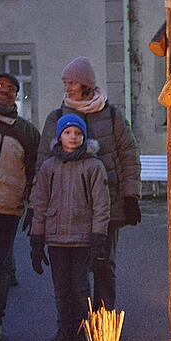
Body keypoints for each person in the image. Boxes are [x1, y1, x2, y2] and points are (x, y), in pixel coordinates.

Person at [35, 57, 141, 311]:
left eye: (71, 82)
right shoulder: (58, 116)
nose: (67, 87)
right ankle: (77, 327)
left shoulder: (112, 116)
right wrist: (33, 207)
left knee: (103, 264)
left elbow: (129, 155)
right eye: (65, 82)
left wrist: (130, 196)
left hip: (108, 204)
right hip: (68, 209)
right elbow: (42, 163)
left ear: (85, 84)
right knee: (72, 274)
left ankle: (104, 324)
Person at [30, 114, 110, 341]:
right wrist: (36, 239)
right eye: (68, 132)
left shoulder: (93, 166)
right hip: (56, 239)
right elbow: (40, 203)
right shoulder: (49, 167)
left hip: (82, 239)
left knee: (81, 289)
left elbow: (101, 205)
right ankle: (65, 332)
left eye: (77, 133)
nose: (73, 137)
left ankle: (85, 334)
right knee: (61, 289)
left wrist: (98, 238)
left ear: (84, 136)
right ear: (60, 136)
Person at [0, 73, 40, 341]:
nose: (4, 92)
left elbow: (36, 172)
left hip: (7, 208)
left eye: (11, 89)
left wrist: (33, 207)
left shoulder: (26, 131)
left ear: (16, 95)